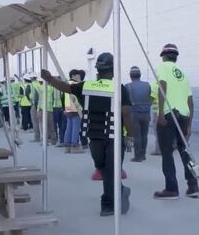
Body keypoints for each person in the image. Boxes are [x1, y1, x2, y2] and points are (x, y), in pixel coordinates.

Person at [41, 52, 133, 216]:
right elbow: (126, 113)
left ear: (97, 71)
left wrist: (49, 79)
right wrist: (130, 135)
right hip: (113, 137)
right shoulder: (119, 88)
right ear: (113, 71)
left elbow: (65, 87)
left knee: (104, 169)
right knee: (111, 169)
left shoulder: (86, 86)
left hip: (93, 137)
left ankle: (109, 202)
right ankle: (114, 198)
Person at [154, 44, 199, 200]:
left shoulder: (162, 67)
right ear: (176, 57)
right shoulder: (184, 74)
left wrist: (160, 112)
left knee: (166, 152)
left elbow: (162, 86)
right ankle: (193, 185)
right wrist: (190, 124)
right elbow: (190, 101)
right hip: (184, 115)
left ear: (164, 56)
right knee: (185, 151)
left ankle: (171, 189)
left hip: (169, 114)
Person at [125, 66, 151, 162]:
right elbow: (149, 98)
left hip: (134, 114)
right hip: (146, 113)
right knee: (144, 135)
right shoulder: (147, 85)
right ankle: (143, 154)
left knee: (137, 136)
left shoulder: (127, 86)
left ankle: (138, 156)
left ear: (130, 76)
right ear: (140, 75)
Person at [63, 69, 84, 153]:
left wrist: (64, 108)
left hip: (68, 109)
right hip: (76, 109)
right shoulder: (77, 85)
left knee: (69, 128)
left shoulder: (66, 84)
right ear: (74, 76)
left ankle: (67, 146)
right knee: (76, 128)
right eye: (77, 75)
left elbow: (63, 98)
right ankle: (74, 146)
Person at [36, 79, 58, 145]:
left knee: (43, 126)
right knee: (51, 125)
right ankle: (53, 140)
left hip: (41, 108)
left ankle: (45, 141)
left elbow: (36, 98)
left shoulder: (39, 88)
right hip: (50, 109)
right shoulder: (52, 88)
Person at [52, 80, 66, 147]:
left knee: (57, 125)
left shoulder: (52, 87)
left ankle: (59, 140)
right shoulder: (62, 87)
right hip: (60, 108)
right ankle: (60, 140)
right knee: (60, 125)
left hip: (56, 108)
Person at [149, 81, 161, 156]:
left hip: (157, 112)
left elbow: (151, 99)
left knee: (157, 131)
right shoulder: (168, 85)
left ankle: (158, 150)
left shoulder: (154, 86)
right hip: (167, 111)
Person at [29, 73, 41, 142]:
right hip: (40, 104)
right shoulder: (38, 84)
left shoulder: (32, 85)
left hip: (34, 104)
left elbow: (34, 96)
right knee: (40, 122)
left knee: (35, 122)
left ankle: (37, 137)